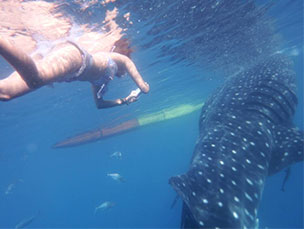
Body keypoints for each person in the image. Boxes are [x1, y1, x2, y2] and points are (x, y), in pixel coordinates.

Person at [0, 36, 150, 108]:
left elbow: (100, 104)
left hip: (69, 66)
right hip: (76, 58)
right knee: (35, 80)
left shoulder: (99, 83)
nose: (123, 75)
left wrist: (124, 101)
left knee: (6, 94)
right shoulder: (118, 58)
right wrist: (143, 88)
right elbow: (144, 86)